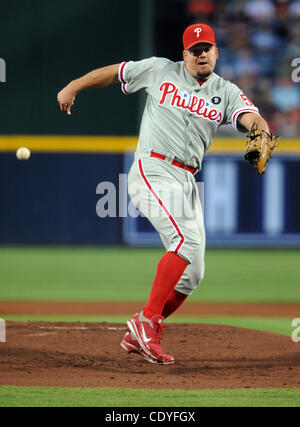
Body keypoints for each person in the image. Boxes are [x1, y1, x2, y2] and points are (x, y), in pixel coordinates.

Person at [57, 23, 271, 365]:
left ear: (217, 52)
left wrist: (261, 133)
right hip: (153, 168)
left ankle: (137, 332)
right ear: (184, 55)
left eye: (207, 48)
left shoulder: (226, 91)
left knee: (194, 271)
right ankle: (147, 322)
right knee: (184, 242)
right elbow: (116, 72)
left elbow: (251, 116)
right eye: (195, 50)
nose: (202, 54)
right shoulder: (160, 70)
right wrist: (74, 85)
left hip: (186, 180)